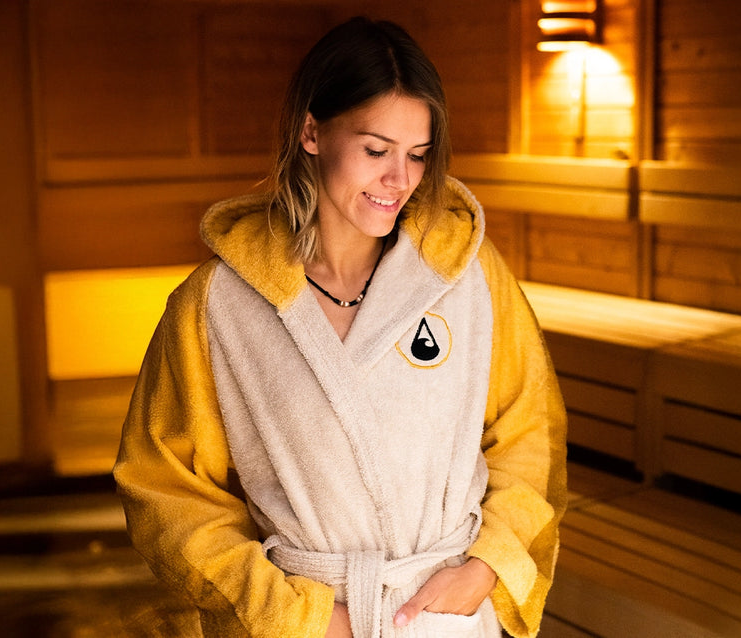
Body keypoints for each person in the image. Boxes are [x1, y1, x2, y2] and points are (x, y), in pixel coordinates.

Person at [113, 17, 567, 638]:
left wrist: (487, 566)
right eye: (376, 151)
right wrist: (300, 617)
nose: (399, 180)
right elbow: (166, 489)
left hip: (444, 613)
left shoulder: (466, 275)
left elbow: (530, 430)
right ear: (311, 132)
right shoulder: (217, 306)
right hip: (308, 618)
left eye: (417, 155)